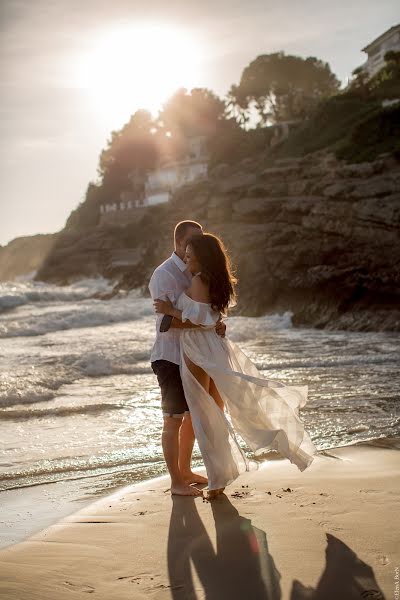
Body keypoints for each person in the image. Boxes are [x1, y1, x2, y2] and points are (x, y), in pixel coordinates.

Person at [154, 233, 317, 499]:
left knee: (204, 415)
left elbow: (203, 319)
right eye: (185, 254)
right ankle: (220, 475)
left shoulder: (198, 279)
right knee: (212, 412)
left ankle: (217, 480)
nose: (186, 259)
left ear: (201, 257)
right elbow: (213, 316)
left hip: (198, 348)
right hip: (213, 346)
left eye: (190, 255)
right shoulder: (214, 279)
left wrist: (171, 312)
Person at [149, 221, 226, 497]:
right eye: (192, 242)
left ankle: (185, 470)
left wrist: (216, 322)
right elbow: (166, 323)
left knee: (194, 417)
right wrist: (208, 322)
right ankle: (176, 482)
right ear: (179, 242)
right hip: (169, 357)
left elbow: (209, 309)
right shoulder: (165, 275)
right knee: (172, 421)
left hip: (194, 356)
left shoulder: (200, 271)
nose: (196, 246)